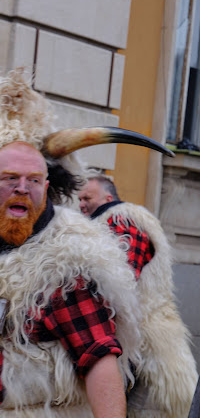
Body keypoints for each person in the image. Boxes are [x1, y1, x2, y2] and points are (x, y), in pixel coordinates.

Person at [0, 69, 178, 417]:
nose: (22, 187)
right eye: (10, 178)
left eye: (33, 180)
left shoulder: (68, 263)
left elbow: (99, 356)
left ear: (47, 187)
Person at [79, 174, 198, 417]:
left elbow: (120, 277)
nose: (81, 203)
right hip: (128, 335)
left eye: (87, 197)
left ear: (107, 198)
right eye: (79, 198)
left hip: (134, 338)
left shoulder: (121, 219)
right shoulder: (109, 222)